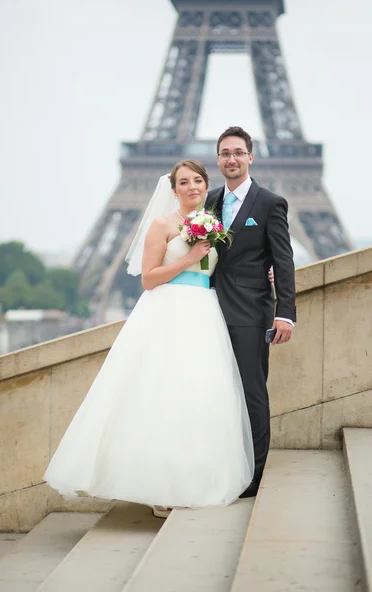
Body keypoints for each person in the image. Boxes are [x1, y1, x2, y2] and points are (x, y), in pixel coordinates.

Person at [44, 159, 254, 518]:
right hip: (168, 312)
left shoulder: (215, 224)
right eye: (184, 182)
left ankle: (191, 478)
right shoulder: (162, 224)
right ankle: (159, 488)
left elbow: (221, 271)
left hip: (204, 312)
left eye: (198, 181)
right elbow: (149, 278)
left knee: (199, 394)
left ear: (206, 185)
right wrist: (189, 257)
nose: (192, 187)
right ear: (173, 190)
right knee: (162, 392)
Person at [205, 126, 296, 498]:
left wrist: (285, 312)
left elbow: (283, 260)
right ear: (218, 159)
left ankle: (254, 477)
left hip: (250, 312)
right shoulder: (208, 200)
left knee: (252, 393)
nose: (231, 159)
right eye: (225, 153)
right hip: (208, 312)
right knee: (215, 393)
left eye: (238, 153)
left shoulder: (270, 202)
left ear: (250, 157)